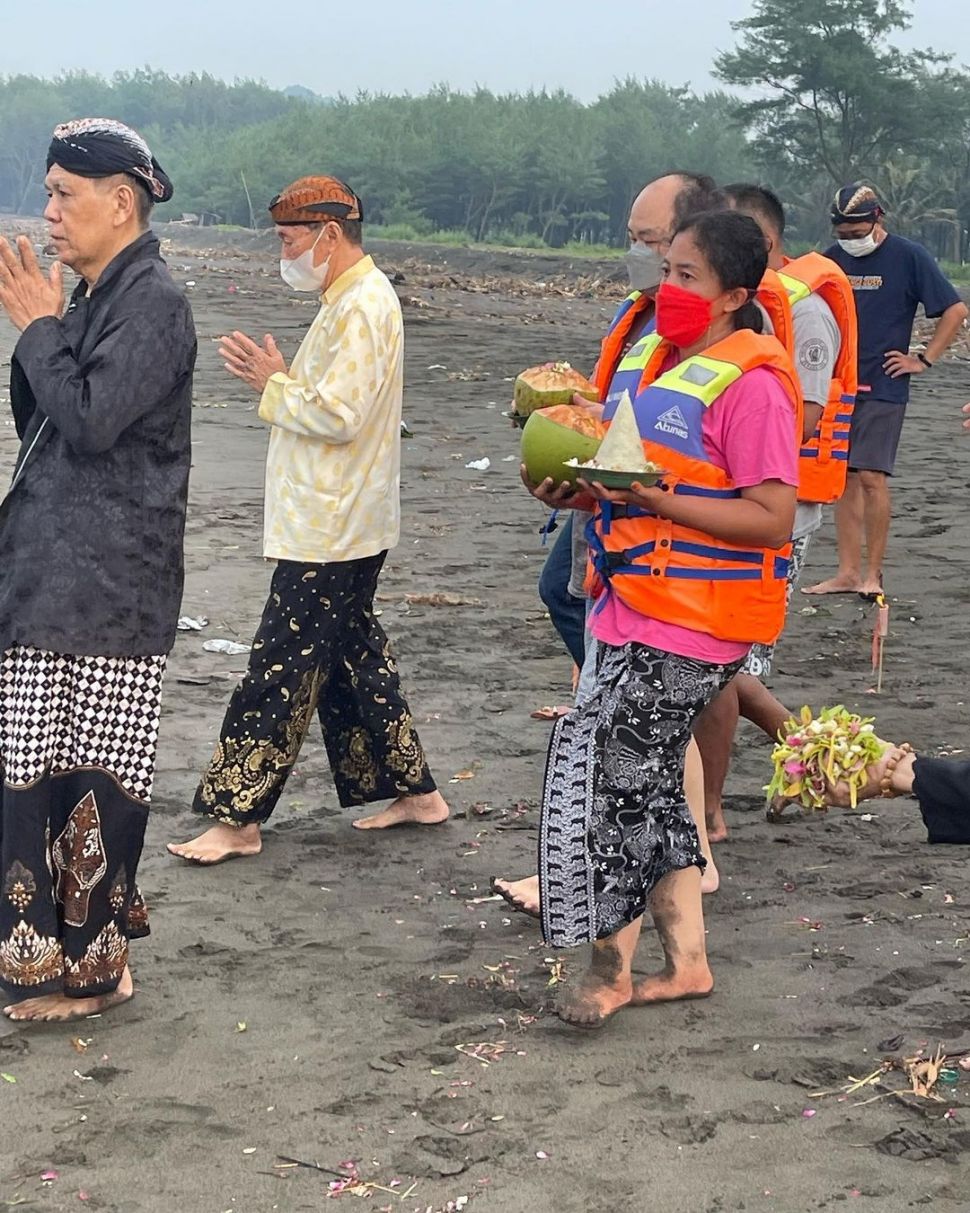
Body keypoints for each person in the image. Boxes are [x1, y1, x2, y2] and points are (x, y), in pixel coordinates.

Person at [533, 209, 801, 1026]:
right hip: (627, 602)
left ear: (733, 296)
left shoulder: (754, 384)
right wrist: (569, 488)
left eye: (687, 276)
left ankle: (608, 969)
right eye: (668, 271)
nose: (667, 287)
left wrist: (659, 500)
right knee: (648, 788)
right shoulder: (654, 359)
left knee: (617, 783)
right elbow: (620, 471)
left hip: (698, 620)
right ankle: (688, 964)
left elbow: (773, 516)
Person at [168, 177, 447, 866]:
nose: (286, 253)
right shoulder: (348, 299)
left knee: (280, 666)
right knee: (354, 656)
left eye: (292, 240)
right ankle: (416, 791)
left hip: (334, 523)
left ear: (329, 233)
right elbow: (333, 400)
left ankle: (238, 815)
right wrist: (284, 381)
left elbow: (337, 415)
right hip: (342, 517)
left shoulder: (363, 304)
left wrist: (274, 383)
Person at [0, 118, 195, 1022]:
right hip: (55, 583)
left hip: (111, 591)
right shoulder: (94, 295)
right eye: (46, 194)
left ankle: (95, 970)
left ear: (122, 203)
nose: (48, 214)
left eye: (63, 196)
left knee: (91, 780)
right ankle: (45, 958)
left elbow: (88, 419)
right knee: (31, 766)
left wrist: (39, 326)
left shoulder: (153, 300)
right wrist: (47, 326)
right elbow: (42, 423)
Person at [497, 173, 726, 911]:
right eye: (636, 241)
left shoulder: (710, 344)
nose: (638, 256)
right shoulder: (640, 322)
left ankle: (636, 868)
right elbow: (613, 422)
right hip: (611, 536)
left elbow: (684, 458)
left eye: (652, 244)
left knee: (631, 719)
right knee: (630, 715)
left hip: (658, 557)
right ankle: (680, 861)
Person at [694, 184, 858, 842]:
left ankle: (711, 811)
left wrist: (737, 464)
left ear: (759, 245)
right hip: (730, 503)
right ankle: (815, 754)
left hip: (780, 509)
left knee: (733, 663)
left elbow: (808, 412)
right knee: (727, 664)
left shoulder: (805, 307)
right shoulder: (745, 306)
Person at [804, 183, 968, 599]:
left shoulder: (908, 256)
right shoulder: (829, 260)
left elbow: (955, 310)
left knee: (873, 476)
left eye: (858, 233)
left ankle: (872, 574)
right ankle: (846, 571)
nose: (851, 241)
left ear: (878, 220)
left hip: (884, 383)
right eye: (844, 234)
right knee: (843, 478)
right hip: (837, 385)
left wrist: (924, 359)